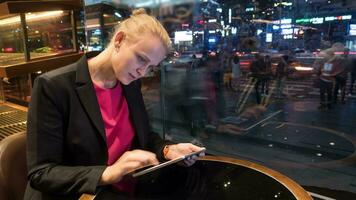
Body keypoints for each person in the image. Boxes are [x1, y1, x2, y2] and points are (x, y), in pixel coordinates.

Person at [25, 9, 204, 200]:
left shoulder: (130, 83)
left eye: (150, 66)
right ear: (118, 40)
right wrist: (107, 173)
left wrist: (167, 150)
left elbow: (144, 136)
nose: (142, 72)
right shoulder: (54, 86)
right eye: (141, 59)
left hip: (127, 188)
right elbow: (42, 173)